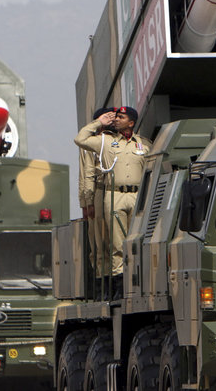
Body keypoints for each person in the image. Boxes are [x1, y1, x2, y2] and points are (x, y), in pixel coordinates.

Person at [74, 106, 151, 294]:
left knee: (138, 241)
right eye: (114, 117)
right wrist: (99, 122)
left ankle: (139, 282)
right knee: (115, 244)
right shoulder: (105, 142)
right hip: (113, 194)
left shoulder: (144, 144)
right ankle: (118, 286)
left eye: (120, 117)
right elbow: (80, 140)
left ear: (131, 122)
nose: (115, 119)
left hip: (137, 196)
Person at [78, 107, 115, 277]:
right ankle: (103, 279)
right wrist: (87, 202)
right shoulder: (91, 145)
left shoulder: (117, 142)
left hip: (115, 192)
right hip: (98, 193)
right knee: (100, 243)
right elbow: (86, 173)